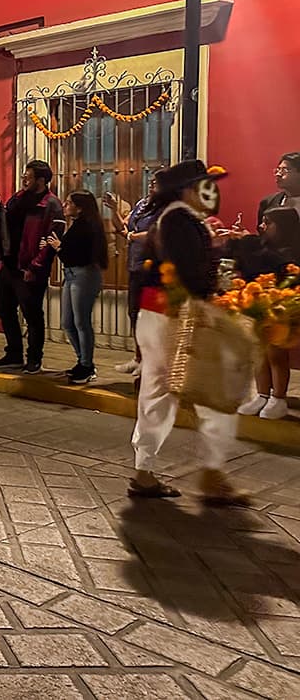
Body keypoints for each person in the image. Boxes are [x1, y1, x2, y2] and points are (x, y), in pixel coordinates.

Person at [129, 160, 250, 505]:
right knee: (216, 390)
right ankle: (213, 474)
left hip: (160, 314)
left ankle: (145, 471)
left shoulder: (174, 219)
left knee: (157, 394)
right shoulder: (179, 220)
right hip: (176, 314)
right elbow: (187, 270)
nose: (210, 192)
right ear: (187, 189)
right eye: (204, 185)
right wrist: (209, 304)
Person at [0, 161, 65, 374]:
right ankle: (14, 353)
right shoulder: (17, 198)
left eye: (29, 177)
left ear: (41, 180)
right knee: (4, 309)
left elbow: (52, 240)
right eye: (24, 176)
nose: (24, 180)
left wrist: (34, 267)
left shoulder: (51, 205)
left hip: (29, 268)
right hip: (9, 264)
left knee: (32, 315)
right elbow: (4, 224)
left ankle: (34, 359)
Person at [232, 207, 300, 419]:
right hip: (258, 306)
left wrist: (247, 241)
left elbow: (277, 265)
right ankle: (262, 395)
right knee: (259, 353)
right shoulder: (261, 246)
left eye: (268, 223)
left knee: (276, 354)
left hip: (280, 306)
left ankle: (278, 398)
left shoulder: (290, 251)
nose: (262, 227)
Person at [43, 191, 108, 384]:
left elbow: (77, 255)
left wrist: (59, 247)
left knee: (81, 322)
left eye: (69, 202)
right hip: (71, 275)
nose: (65, 205)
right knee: (67, 322)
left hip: (83, 276)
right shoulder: (77, 225)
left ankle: (87, 365)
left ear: (80, 207)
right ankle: (82, 361)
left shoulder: (88, 227)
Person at [107, 172, 165, 377]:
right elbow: (121, 226)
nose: (151, 185)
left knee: (150, 317)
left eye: (156, 183)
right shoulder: (142, 204)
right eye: (151, 181)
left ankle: (150, 361)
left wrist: (131, 236)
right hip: (134, 265)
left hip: (153, 268)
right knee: (134, 314)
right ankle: (138, 357)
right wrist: (114, 210)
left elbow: (156, 233)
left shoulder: (166, 209)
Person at [258, 152, 300, 221]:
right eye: (278, 170)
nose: (278, 174)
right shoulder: (268, 202)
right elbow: (263, 230)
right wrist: (248, 232)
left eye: (284, 170)